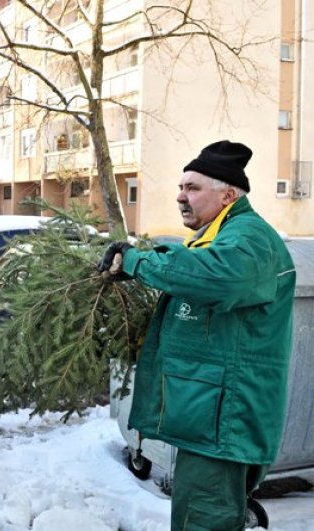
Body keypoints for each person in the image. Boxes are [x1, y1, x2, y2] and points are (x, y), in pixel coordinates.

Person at [97, 140, 296, 530]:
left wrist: (137, 261)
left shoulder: (250, 239)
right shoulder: (223, 237)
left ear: (227, 195)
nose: (180, 197)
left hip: (223, 421)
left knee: (203, 521)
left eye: (192, 188)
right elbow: (199, 268)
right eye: (180, 187)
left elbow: (214, 278)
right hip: (209, 416)